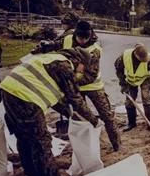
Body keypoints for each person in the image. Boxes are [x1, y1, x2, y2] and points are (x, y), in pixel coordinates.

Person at [0, 47, 98, 176]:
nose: (81, 71)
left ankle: (33, 175)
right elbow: (75, 98)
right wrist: (93, 119)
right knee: (42, 143)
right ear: (80, 61)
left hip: (9, 90)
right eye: (83, 68)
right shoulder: (65, 65)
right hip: (25, 97)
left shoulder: (52, 58)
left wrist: (69, 113)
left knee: (24, 137)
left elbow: (54, 97)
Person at [32, 20, 121, 151]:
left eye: (86, 38)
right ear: (75, 34)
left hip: (92, 87)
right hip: (73, 87)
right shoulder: (68, 38)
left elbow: (91, 75)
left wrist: (69, 81)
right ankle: (86, 148)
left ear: (90, 35)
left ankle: (117, 144)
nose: (83, 41)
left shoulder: (94, 49)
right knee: (80, 118)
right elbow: (57, 45)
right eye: (80, 38)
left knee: (107, 115)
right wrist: (44, 47)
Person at [114, 43, 150, 131]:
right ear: (136, 54)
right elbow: (118, 69)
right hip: (131, 80)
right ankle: (131, 123)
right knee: (129, 101)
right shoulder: (125, 56)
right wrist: (123, 84)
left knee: (146, 97)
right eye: (142, 59)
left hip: (145, 79)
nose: (144, 60)